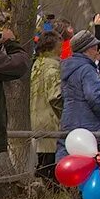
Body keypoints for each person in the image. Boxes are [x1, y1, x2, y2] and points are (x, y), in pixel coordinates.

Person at [58, 29, 100, 162]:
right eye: (94, 48)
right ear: (87, 49)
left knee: (68, 162)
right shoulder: (87, 70)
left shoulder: (68, 69)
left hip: (69, 121)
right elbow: (94, 97)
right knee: (86, 165)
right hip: (88, 125)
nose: (96, 51)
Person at [29, 30, 62, 177]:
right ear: (54, 46)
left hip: (37, 117)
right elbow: (55, 96)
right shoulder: (52, 67)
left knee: (42, 163)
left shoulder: (37, 64)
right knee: (49, 167)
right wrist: (65, 113)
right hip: (50, 120)